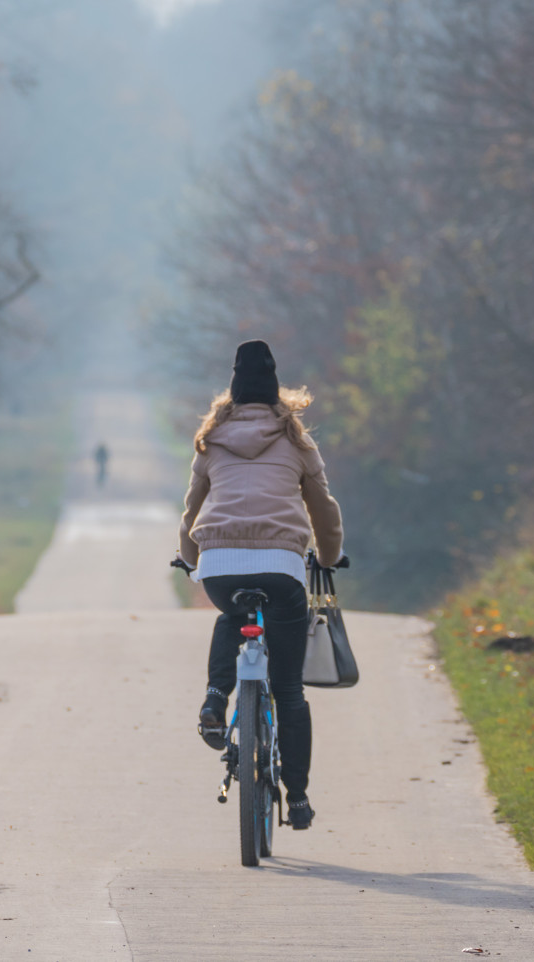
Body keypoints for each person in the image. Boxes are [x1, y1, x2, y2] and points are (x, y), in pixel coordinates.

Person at [174, 339, 344, 832]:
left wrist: (189, 560)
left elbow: (192, 511)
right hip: (280, 566)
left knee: (232, 615)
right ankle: (298, 799)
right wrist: (329, 559)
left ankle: (214, 697)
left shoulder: (212, 438)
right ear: (276, 395)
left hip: (221, 563)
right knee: (289, 691)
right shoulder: (295, 440)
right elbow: (324, 510)